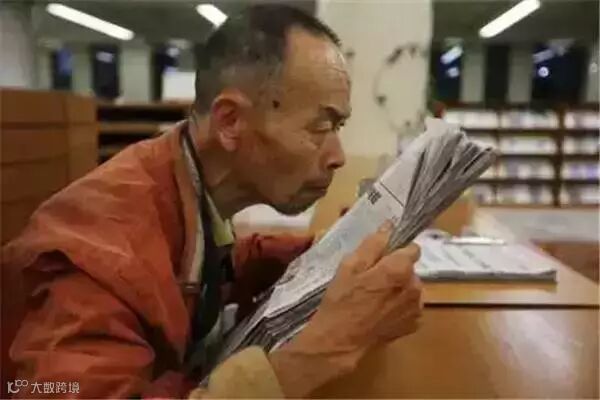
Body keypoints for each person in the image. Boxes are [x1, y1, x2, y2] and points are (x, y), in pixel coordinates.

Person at [1, 5, 422, 399]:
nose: (338, 156)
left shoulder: (183, 179)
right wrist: (324, 350)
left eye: (338, 127)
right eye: (320, 126)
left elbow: (209, 264)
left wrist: (326, 253)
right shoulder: (97, 258)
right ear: (230, 121)